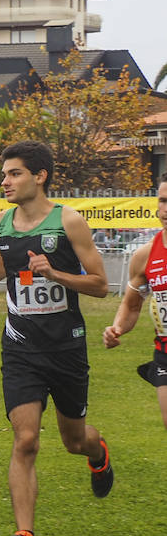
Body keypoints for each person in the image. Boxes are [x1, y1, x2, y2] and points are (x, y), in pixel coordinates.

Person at [0, 141, 112, 536]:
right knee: (25, 439)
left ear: (39, 176)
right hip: (20, 346)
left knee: (73, 439)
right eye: (4, 174)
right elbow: (7, 265)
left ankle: (98, 454)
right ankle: (26, 535)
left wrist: (56, 273)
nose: (4, 181)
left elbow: (100, 285)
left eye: (14, 173)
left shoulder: (69, 222)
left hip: (66, 347)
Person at [104, 178, 167, 431]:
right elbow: (131, 306)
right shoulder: (145, 256)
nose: (166, 209)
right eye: (163, 201)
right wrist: (116, 328)